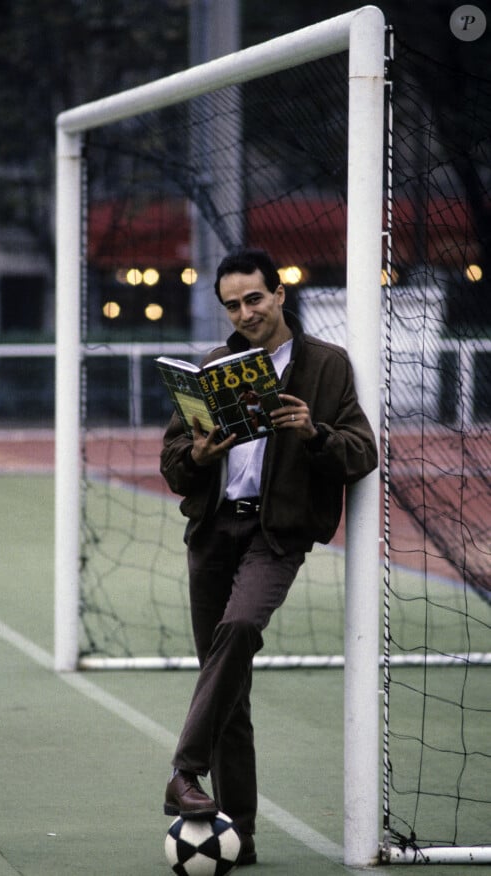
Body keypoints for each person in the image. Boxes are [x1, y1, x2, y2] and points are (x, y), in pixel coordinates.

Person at [160, 247, 378, 866]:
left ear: (280, 295)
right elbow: (174, 466)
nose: (245, 313)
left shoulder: (327, 367)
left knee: (240, 627)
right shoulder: (213, 367)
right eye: (232, 304)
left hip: (275, 533)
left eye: (254, 298)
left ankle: (183, 769)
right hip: (211, 535)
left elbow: (362, 454)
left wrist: (313, 432)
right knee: (228, 687)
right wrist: (199, 455)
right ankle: (241, 835)